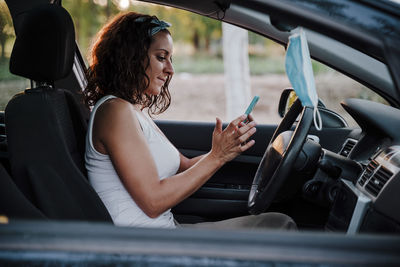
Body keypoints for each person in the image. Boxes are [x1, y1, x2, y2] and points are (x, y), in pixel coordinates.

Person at [84, 12, 296, 230]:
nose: (170, 69)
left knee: (277, 223)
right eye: (161, 57)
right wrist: (217, 156)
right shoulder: (114, 111)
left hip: (169, 231)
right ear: (131, 58)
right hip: (147, 246)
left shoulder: (134, 111)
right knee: (279, 226)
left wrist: (226, 148)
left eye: (171, 58)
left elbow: (183, 166)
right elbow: (153, 202)